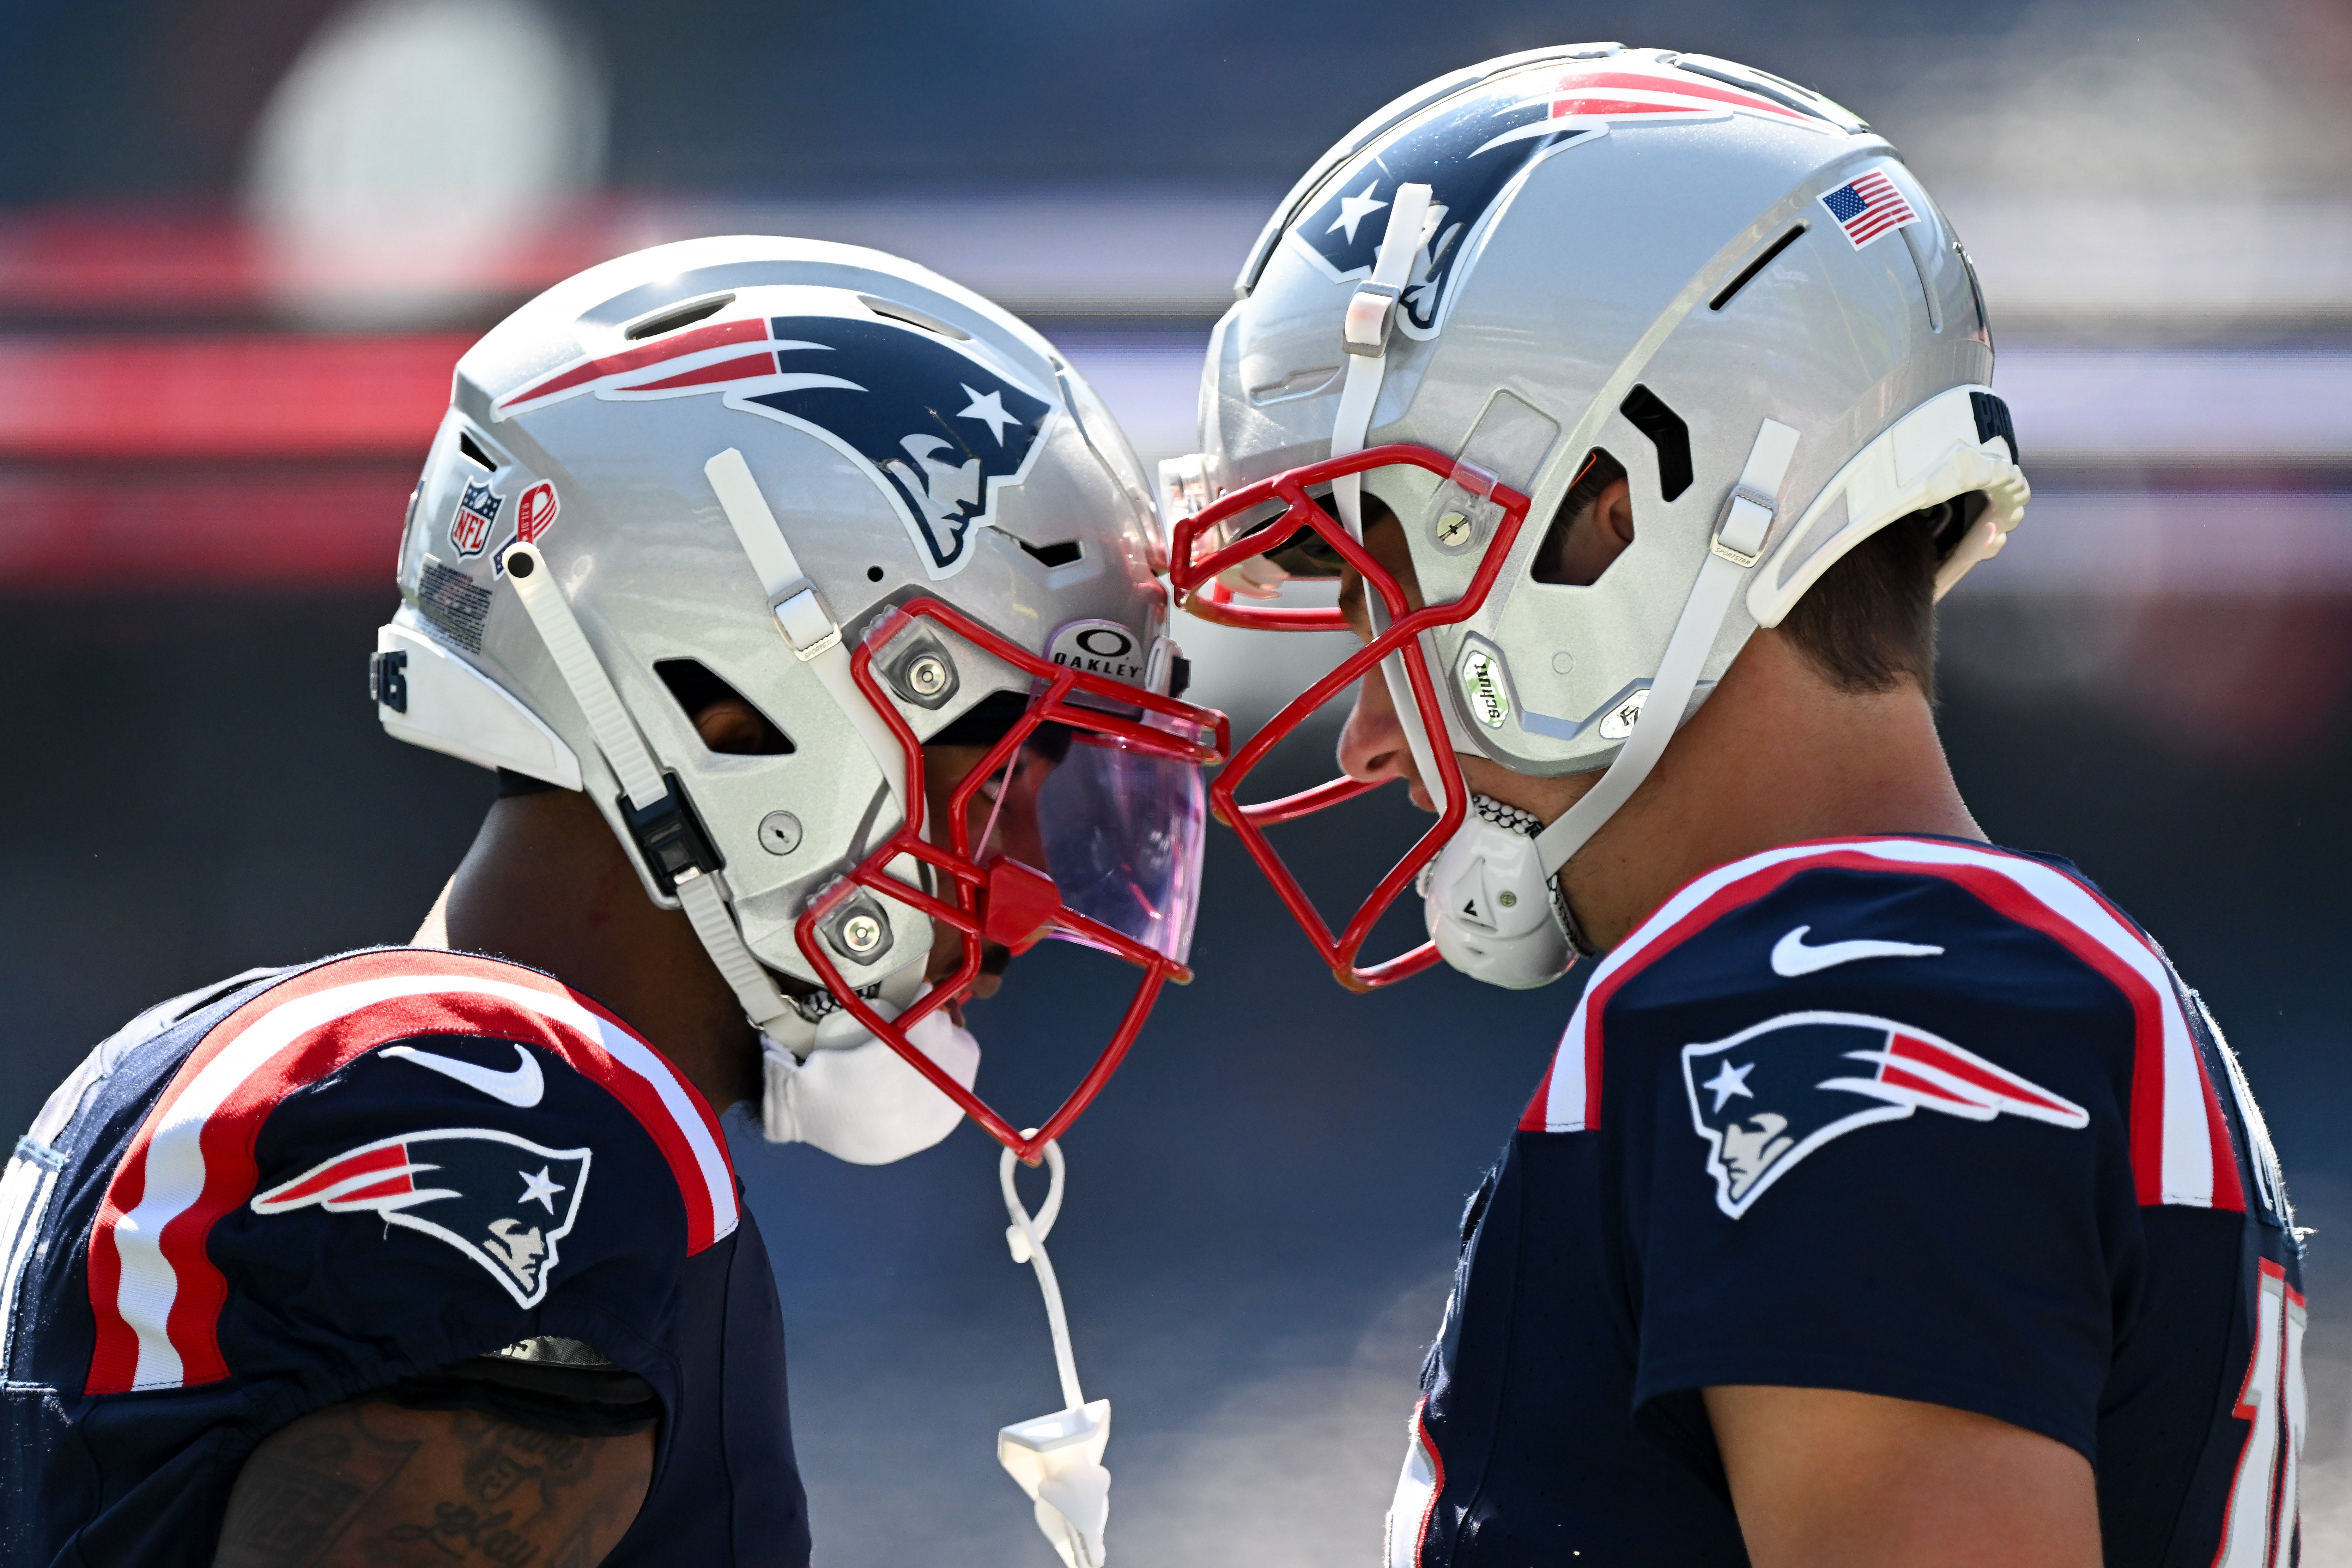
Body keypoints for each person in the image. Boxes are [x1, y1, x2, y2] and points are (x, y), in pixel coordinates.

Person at [1158, 45, 2305, 1568]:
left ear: (1610, 517)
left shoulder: (1849, 995)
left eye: (1392, 597)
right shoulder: (1904, 972)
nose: (1370, 736)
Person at [0, 236, 1222, 1568]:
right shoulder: (527, 1119)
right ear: (725, 703)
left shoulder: (216, 1057)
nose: (1036, 892)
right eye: (998, 771)